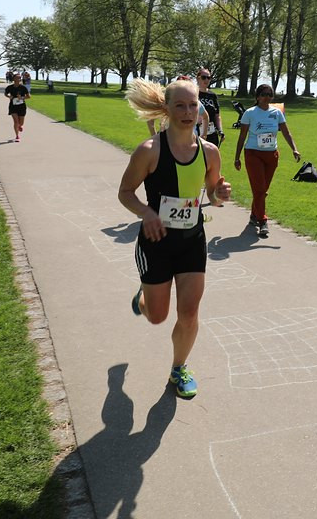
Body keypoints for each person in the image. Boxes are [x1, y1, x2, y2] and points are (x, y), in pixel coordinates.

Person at [118, 77, 232, 398]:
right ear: (166, 109)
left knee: (190, 312)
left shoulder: (209, 153)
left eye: (192, 105)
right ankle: (144, 296)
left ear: (200, 109)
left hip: (192, 241)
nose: (187, 111)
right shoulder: (149, 151)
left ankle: (178, 368)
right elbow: (125, 193)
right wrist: (146, 212)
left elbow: (211, 192)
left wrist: (219, 194)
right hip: (156, 243)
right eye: (179, 105)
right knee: (158, 316)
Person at [233, 84, 301, 238]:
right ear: (257, 97)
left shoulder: (277, 112)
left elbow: (285, 132)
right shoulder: (250, 113)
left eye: (270, 94)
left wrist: (294, 149)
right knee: (260, 189)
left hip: (271, 155)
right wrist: (237, 157)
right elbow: (242, 136)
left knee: (262, 190)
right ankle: (263, 221)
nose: (267, 97)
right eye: (263, 94)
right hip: (253, 154)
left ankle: (253, 215)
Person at [196, 68, 224, 146]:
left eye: (209, 78)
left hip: (212, 132)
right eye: (203, 77)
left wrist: (220, 130)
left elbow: (217, 115)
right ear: (198, 78)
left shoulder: (213, 95)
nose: (206, 80)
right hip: (196, 131)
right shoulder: (193, 93)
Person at [4, 73, 30, 141]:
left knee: (21, 123)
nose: (19, 79)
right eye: (17, 78)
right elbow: (5, 93)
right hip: (13, 106)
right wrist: (9, 96)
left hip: (22, 106)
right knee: (16, 121)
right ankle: (17, 136)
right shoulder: (10, 87)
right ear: (14, 79)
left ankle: (19, 126)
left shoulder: (23, 87)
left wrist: (21, 97)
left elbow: (28, 96)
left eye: (20, 78)